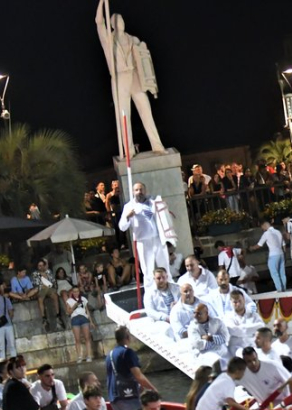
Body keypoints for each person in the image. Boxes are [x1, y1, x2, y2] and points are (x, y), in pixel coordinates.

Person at [95, 0, 165, 152]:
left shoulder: (133, 39)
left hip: (135, 77)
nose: (121, 23)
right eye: (118, 21)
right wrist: (102, 2)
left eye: (122, 20)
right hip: (120, 79)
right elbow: (99, 22)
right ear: (112, 24)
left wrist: (150, 81)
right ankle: (128, 150)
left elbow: (145, 60)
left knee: (146, 111)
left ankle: (157, 145)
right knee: (124, 116)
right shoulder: (108, 40)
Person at [118, 182, 173, 288]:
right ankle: (151, 294)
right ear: (133, 192)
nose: (139, 192)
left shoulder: (153, 202)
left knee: (164, 266)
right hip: (143, 242)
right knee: (148, 270)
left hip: (157, 239)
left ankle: (170, 288)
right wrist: (127, 217)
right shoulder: (129, 206)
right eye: (137, 190)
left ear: (145, 190)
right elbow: (122, 227)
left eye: (141, 189)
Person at [106, 326, 158, 410]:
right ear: (128, 337)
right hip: (127, 397)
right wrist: (153, 389)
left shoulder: (110, 355)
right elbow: (138, 376)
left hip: (114, 399)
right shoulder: (127, 352)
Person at [224, 290, 264, 357]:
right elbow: (232, 330)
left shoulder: (253, 314)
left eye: (240, 301)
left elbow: (261, 327)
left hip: (252, 346)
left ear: (244, 300)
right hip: (236, 348)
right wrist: (252, 329)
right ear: (231, 303)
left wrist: (239, 329)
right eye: (235, 302)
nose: (238, 304)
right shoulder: (227, 317)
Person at [250, 221, 286, 292]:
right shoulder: (278, 232)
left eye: (262, 227)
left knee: (274, 273)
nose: (262, 229)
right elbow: (283, 244)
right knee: (282, 272)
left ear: (264, 225)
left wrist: (252, 248)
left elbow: (259, 245)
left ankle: (279, 289)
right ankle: (284, 287)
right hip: (281, 253)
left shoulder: (266, 233)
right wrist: (284, 253)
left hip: (273, 255)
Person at [66, 286, 97, 363]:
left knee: (87, 337)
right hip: (75, 318)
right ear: (72, 292)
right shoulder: (69, 301)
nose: (76, 293)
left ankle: (89, 355)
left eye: (77, 291)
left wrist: (91, 321)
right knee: (77, 339)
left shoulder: (83, 299)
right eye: (74, 291)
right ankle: (79, 356)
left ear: (79, 292)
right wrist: (74, 306)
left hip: (84, 318)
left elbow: (87, 310)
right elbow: (68, 312)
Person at [32, 259, 65, 331]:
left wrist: (54, 288)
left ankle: (58, 315)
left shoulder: (48, 272)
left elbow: (53, 281)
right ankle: (44, 318)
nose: (40, 267)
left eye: (42, 265)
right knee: (40, 299)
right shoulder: (35, 274)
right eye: (39, 266)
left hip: (49, 288)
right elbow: (37, 284)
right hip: (41, 288)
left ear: (44, 266)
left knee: (55, 296)